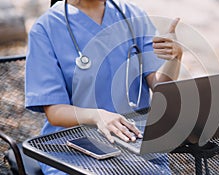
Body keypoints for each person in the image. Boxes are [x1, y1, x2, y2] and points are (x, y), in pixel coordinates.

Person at [25, 0, 182, 174]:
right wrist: (97, 116)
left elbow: (160, 87)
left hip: (134, 140)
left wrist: (175, 58)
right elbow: (55, 112)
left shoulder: (132, 15)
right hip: (73, 147)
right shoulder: (46, 28)